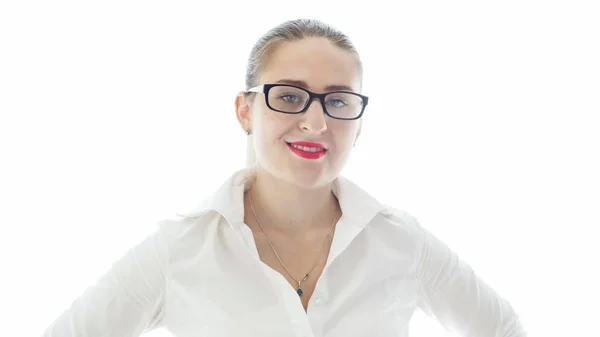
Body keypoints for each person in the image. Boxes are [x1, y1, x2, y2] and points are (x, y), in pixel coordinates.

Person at [43, 19, 526, 337]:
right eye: (290, 96)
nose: (316, 122)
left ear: (358, 122)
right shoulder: (181, 248)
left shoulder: (402, 242)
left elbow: (503, 327)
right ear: (245, 109)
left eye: (338, 100)